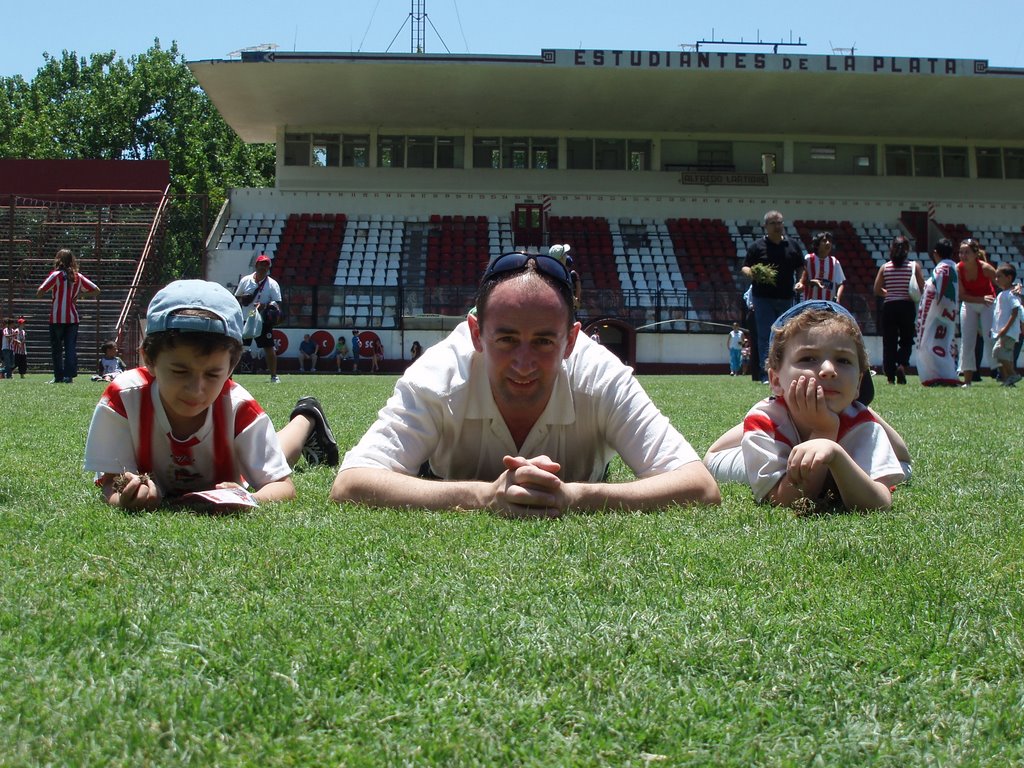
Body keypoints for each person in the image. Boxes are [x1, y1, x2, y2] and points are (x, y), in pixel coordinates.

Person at [331, 250, 720, 517]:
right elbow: (350, 483)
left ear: (570, 341)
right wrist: (484, 495)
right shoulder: (438, 376)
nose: (523, 363)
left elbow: (699, 486)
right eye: (506, 339)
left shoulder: (601, 376)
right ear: (475, 334)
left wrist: (576, 495)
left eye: (543, 342)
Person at [84, 280, 339, 510]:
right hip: (230, 448)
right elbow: (111, 482)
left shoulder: (239, 407)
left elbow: (282, 486)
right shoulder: (123, 399)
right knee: (273, 449)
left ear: (231, 367)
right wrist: (127, 497)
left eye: (212, 374)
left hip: (234, 462)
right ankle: (307, 415)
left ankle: (307, 417)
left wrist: (247, 497)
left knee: (279, 454)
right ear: (148, 359)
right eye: (180, 371)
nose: (196, 390)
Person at [704, 301, 908, 511]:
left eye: (843, 360)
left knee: (904, 469)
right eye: (808, 358)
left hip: (847, 415)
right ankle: (764, 418)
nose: (828, 369)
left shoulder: (862, 425)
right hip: (766, 448)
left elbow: (879, 503)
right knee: (711, 460)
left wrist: (835, 453)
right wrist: (824, 431)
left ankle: (857, 406)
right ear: (775, 380)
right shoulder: (765, 422)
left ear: (859, 383)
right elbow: (785, 500)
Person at [742, 210, 804, 382]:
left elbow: (801, 267)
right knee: (765, 335)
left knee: (785, 336)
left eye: (780, 223)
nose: (778, 226)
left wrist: (800, 281)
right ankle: (766, 375)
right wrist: (753, 272)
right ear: (766, 227)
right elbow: (745, 267)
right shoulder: (757, 247)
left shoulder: (792, 246)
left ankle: (785, 372)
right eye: (773, 223)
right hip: (763, 298)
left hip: (786, 298)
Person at [35, 248, 100, 384]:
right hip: (72, 318)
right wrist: (79, 295)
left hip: (56, 318)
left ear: (58, 260)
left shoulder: (56, 275)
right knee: (70, 348)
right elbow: (96, 290)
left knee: (57, 349)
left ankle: (58, 377)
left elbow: (40, 291)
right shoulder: (78, 276)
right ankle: (68, 376)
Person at [873, 235, 923, 384]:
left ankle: (890, 374)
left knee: (889, 341)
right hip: (906, 305)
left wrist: (888, 293)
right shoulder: (913, 266)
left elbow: (876, 289)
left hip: (889, 306)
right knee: (907, 339)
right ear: (907, 250)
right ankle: (901, 364)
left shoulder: (885, 267)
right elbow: (922, 286)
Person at [915, 238, 961, 387]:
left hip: (937, 313)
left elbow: (933, 291)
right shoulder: (954, 268)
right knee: (945, 344)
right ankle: (947, 375)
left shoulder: (941, 270)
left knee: (930, 344)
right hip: (951, 312)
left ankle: (935, 375)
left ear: (935, 253)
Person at [234, 254, 283, 384]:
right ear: (256, 265)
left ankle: (274, 376)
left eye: (266, 265)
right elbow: (237, 297)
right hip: (246, 318)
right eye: (261, 264)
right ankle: (230, 375)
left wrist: (264, 306)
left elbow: (277, 302)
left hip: (263, 320)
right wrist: (245, 299)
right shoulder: (246, 280)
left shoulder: (272, 284)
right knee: (239, 347)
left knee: (268, 347)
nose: (263, 267)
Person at [956, 238, 997, 387]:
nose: (963, 255)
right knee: (967, 341)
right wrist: (980, 299)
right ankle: (967, 380)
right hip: (971, 303)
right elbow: (961, 295)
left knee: (989, 337)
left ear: (975, 254)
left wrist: (1014, 288)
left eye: (966, 252)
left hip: (988, 304)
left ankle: (1002, 373)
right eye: (961, 252)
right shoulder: (958, 268)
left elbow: (1002, 282)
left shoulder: (985, 268)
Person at [991, 263, 1022, 387]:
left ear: (1009, 278)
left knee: (999, 352)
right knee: (1003, 355)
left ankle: (1013, 374)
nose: (996, 279)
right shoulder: (1001, 294)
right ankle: (1008, 380)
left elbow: (1015, 311)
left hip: (1008, 332)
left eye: (999, 277)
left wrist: (1005, 328)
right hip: (1002, 331)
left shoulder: (1011, 294)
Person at [794, 231, 846, 303]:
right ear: (817, 245)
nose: (828, 243)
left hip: (828, 304)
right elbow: (802, 281)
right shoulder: (808, 259)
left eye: (830, 241)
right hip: (810, 303)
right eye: (824, 241)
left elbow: (840, 284)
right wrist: (812, 282)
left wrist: (838, 297)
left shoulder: (834, 262)